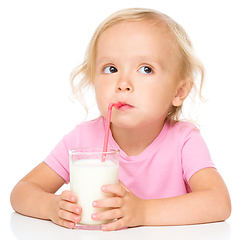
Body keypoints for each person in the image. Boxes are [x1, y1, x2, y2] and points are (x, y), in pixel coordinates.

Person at [10, 8, 231, 231]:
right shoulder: (81, 140)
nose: (123, 83)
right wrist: (51, 206)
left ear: (179, 92)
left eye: (146, 69)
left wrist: (143, 211)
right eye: (111, 68)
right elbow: (22, 191)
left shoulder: (184, 141)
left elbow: (219, 202)